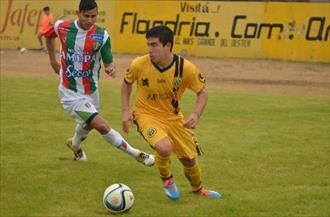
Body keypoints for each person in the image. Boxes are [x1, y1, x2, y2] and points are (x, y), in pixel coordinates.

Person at [42, 0, 154, 166]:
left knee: (88, 124)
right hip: (70, 92)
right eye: (86, 16)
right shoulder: (63, 27)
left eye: (93, 16)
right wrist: (52, 59)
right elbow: (48, 34)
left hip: (92, 91)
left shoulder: (102, 35)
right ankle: (136, 153)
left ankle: (75, 144)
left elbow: (109, 62)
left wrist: (110, 68)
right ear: (78, 13)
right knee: (100, 125)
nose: (90, 20)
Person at [121, 25, 223, 200]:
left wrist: (196, 114)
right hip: (146, 115)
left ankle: (198, 189)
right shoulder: (139, 64)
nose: (150, 49)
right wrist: (125, 110)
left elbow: (202, 92)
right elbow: (126, 83)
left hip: (174, 117)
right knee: (164, 147)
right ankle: (167, 179)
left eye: (154, 45)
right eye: (148, 45)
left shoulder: (185, 68)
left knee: (189, 160)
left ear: (168, 46)